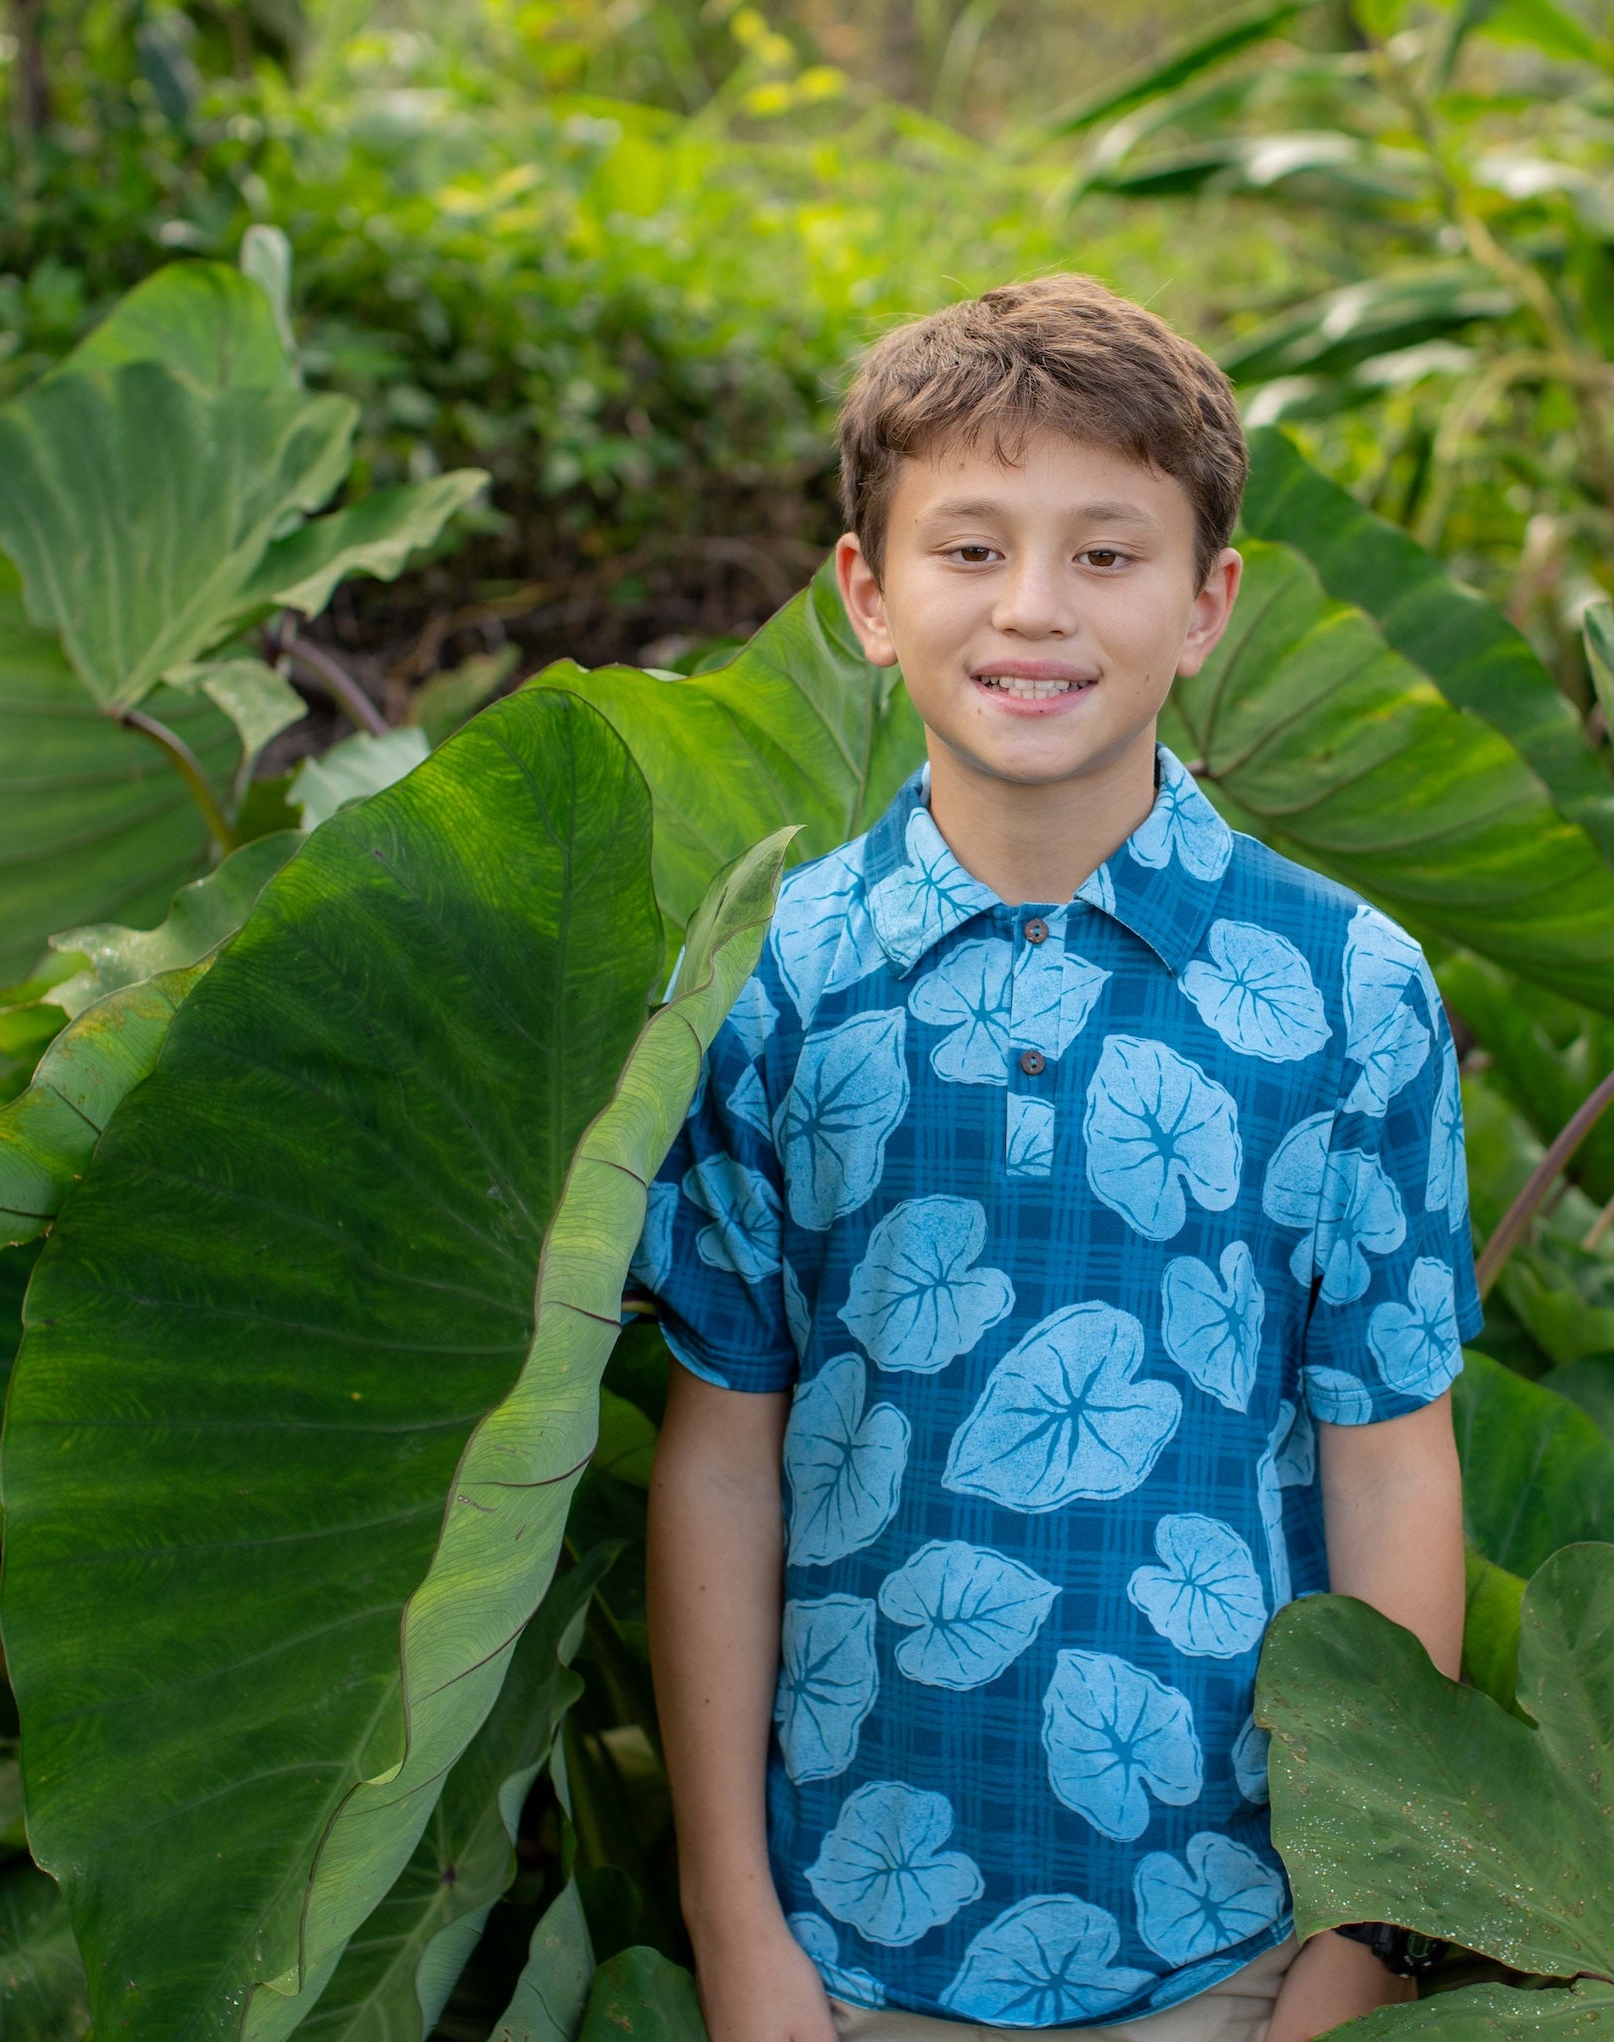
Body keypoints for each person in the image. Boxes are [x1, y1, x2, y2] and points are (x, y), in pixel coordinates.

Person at [638, 274, 1479, 2042]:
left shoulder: (1345, 989)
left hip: (1232, 1931)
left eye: (1107, 554)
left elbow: (1391, 1465)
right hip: (848, 1934)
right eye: (971, 549)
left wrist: (1364, 1941)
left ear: (1206, 605)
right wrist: (736, 1924)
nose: (1034, 608)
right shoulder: (769, 982)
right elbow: (725, 1458)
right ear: (868, 596)